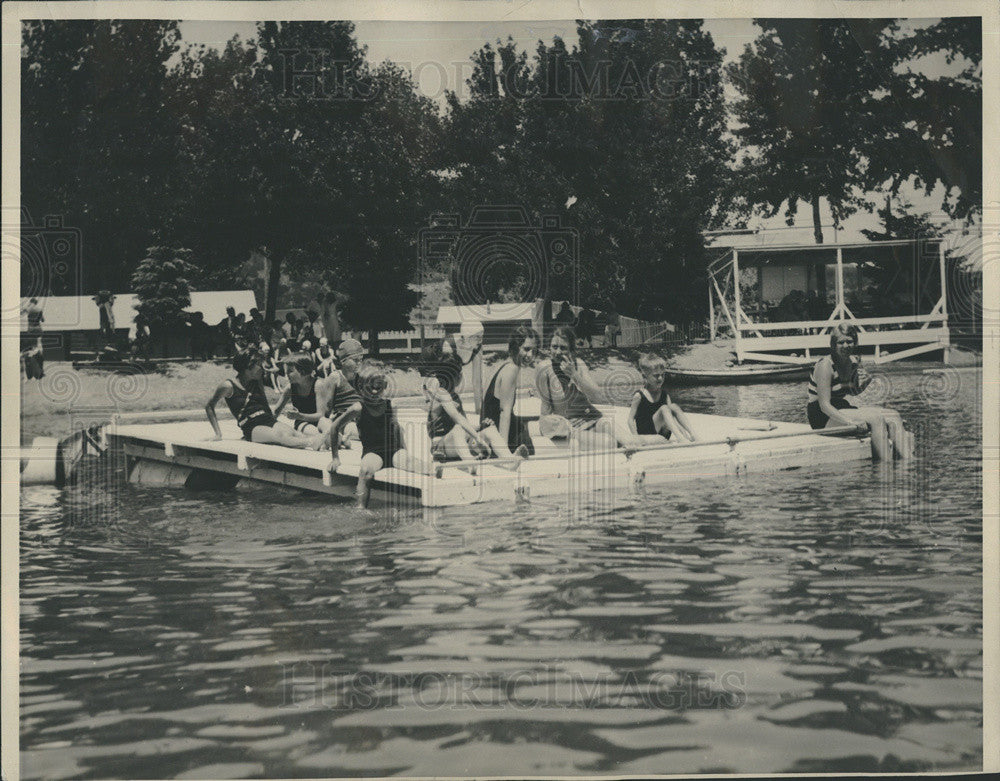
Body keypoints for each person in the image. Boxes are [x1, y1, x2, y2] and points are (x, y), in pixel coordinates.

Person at [807, 323, 913, 460]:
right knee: (876, 419)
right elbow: (824, 405)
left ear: (855, 342)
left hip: (841, 406)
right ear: (833, 345)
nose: (846, 346)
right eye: (841, 342)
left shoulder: (853, 362)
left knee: (893, 415)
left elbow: (852, 391)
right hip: (822, 416)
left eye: (849, 341)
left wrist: (868, 380)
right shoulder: (825, 365)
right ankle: (885, 467)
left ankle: (909, 462)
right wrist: (850, 421)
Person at [420, 339, 528, 465]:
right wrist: (477, 437)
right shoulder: (440, 393)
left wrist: (481, 427)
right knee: (458, 429)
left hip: (459, 445)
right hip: (441, 447)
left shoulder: (455, 397)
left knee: (490, 430)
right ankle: (470, 463)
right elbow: (458, 419)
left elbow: (465, 426)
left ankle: (509, 460)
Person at [349, 361, 434, 509]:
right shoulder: (358, 408)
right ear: (362, 388)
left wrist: (404, 449)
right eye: (371, 388)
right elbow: (335, 427)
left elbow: (397, 427)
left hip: (393, 451)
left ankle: (436, 472)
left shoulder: (391, 405)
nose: (375, 392)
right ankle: (360, 507)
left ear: (385, 387)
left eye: (379, 388)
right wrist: (335, 458)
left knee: (413, 462)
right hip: (373, 453)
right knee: (365, 471)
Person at [535, 326, 635, 452]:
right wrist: (550, 428)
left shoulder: (579, 364)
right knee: (609, 443)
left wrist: (574, 375)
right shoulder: (544, 369)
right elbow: (545, 409)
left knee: (629, 441)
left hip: (592, 417)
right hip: (571, 426)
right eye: (554, 347)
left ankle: (664, 441)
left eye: (563, 348)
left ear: (571, 350)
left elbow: (598, 396)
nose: (558, 352)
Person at [205, 352, 324, 448]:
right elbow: (209, 406)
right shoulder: (228, 386)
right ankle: (311, 443)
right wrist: (218, 434)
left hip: (267, 419)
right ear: (248, 367)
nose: (262, 369)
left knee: (292, 433)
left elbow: (264, 403)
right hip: (251, 426)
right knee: (279, 435)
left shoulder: (257, 381)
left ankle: (324, 442)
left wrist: (274, 421)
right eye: (259, 366)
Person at [479, 325, 538, 456]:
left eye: (534, 351)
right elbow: (504, 412)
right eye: (526, 349)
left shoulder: (500, 364)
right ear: (515, 347)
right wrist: (502, 451)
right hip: (499, 433)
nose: (530, 355)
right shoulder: (511, 369)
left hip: (488, 427)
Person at [627, 353, 698, 445]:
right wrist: (637, 440)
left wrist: (684, 435)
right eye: (656, 376)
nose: (660, 378)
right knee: (664, 408)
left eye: (662, 375)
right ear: (645, 377)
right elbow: (630, 420)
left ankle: (693, 435)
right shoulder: (639, 395)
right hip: (647, 434)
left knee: (673, 407)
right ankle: (680, 438)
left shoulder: (664, 395)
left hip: (662, 434)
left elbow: (672, 419)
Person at [273, 355, 333, 437]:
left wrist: (299, 415)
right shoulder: (290, 388)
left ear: (303, 372)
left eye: (290, 371)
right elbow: (276, 411)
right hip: (302, 422)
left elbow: (320, 415)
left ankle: (334, 438)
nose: (286, 374)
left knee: (327, 425)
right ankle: (336, 440)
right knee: (313, 433)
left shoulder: (318, 385)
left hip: (319, 420)